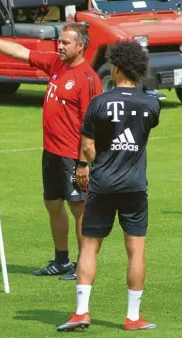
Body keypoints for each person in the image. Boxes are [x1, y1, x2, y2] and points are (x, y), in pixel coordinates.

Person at [0, 23, 102, 280]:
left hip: (72, 156)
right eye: (59, 42)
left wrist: (84, 164)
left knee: (78, 208)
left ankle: (84, 264)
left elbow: (90, 125)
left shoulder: (88, 78)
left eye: (65, 43)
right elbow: (19, 51)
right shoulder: (56, 64)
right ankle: (62, 261)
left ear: (80, 46)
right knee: (52, 203)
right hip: (51, 151)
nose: (59, 46)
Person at [57, 41, 160, 331]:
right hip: (135, 187)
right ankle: (133, 317)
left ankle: (81, 312)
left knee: (90, 246)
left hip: (102, 184)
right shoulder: (151, 103)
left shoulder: (99, 103)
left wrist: (91, 163)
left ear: (115, 68)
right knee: (135, 250)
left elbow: (87, 147)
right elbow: (141, 132)